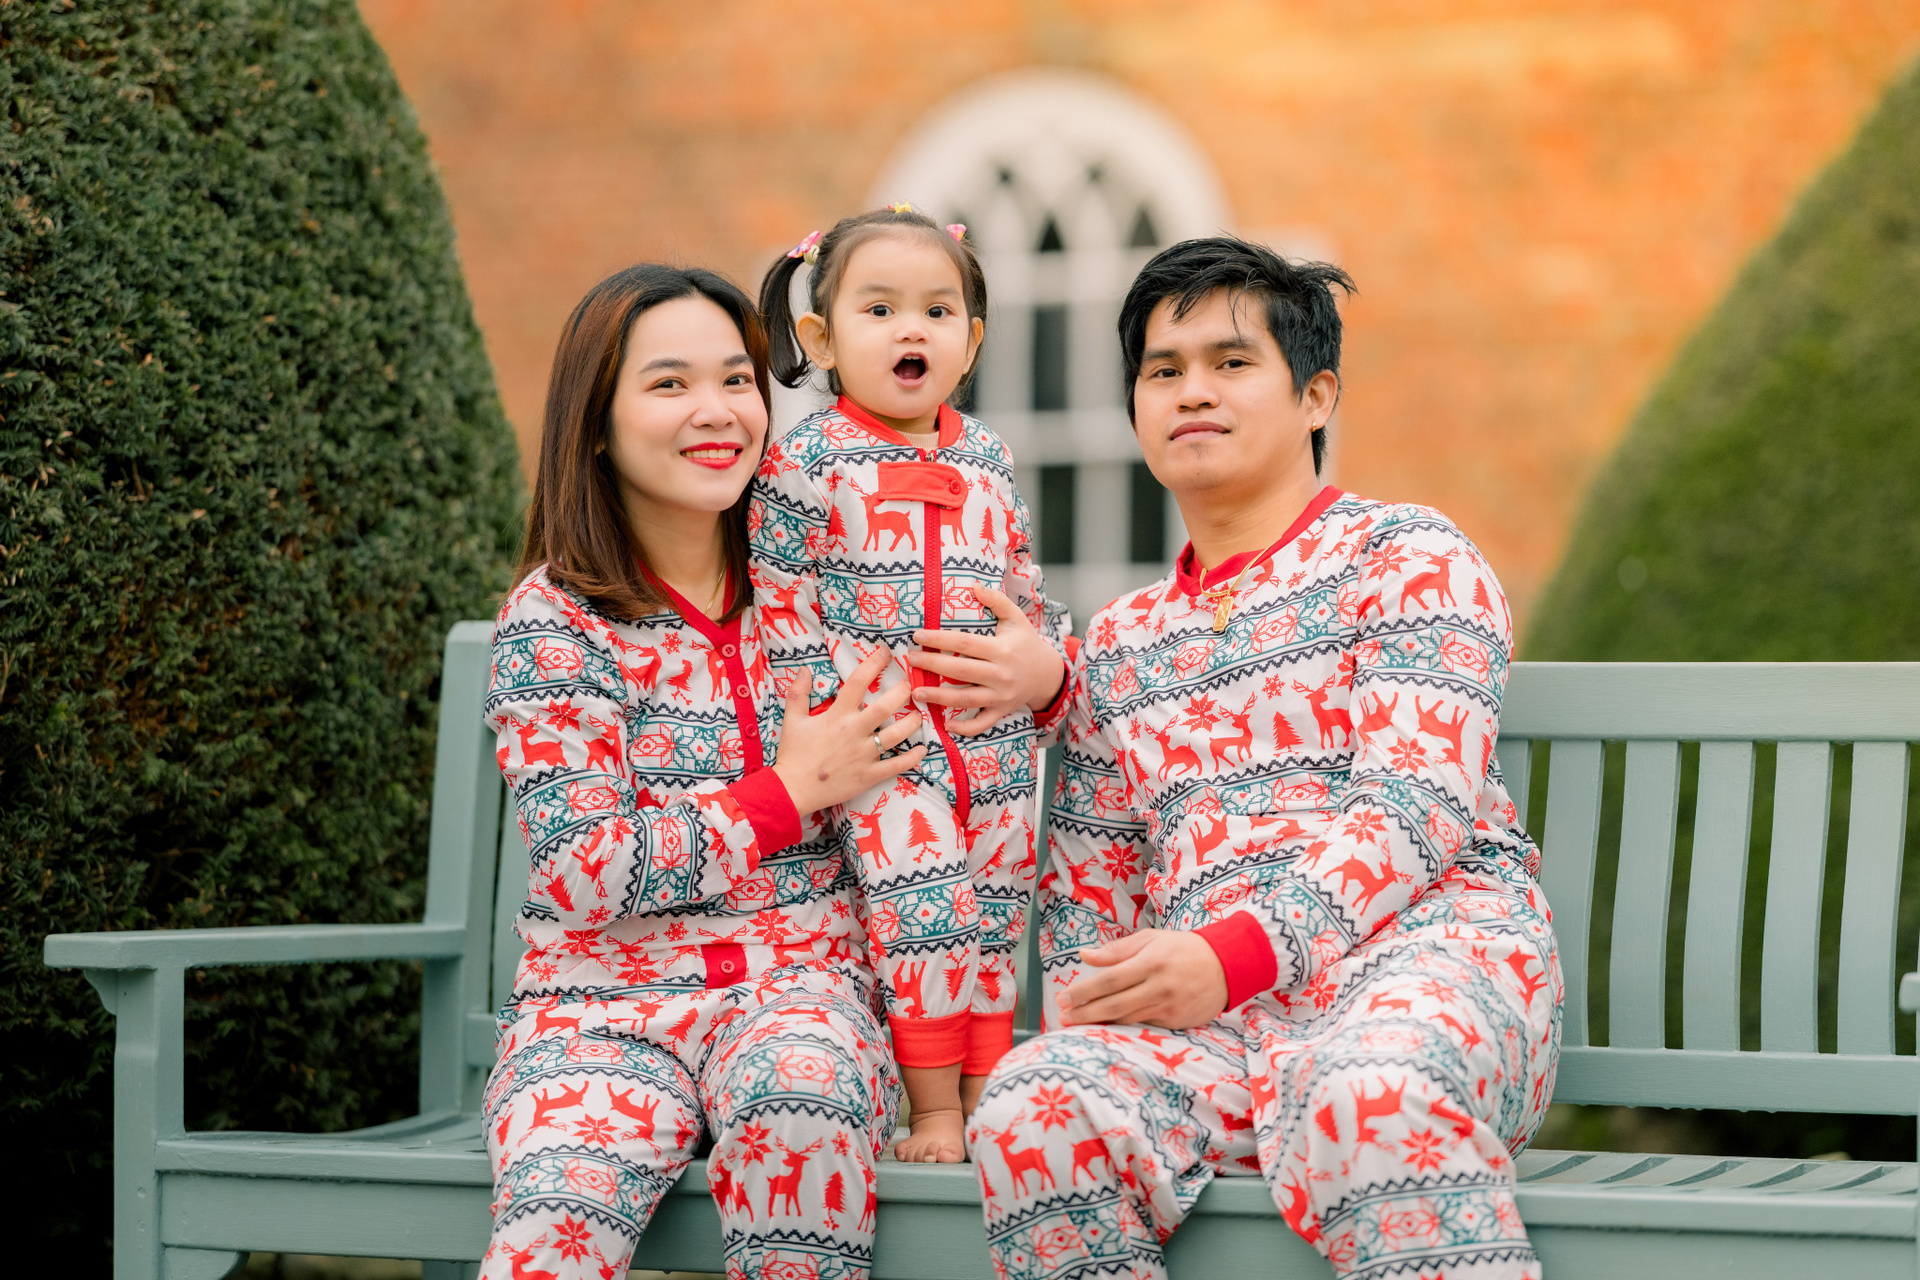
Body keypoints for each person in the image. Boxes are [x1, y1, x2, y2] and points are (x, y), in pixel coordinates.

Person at [967, 238, 1562, 1280]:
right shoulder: (1122, 640)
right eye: (1163, 370)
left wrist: (1230, 956)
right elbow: (1091, 896)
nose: (1192, 390)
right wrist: (1090, 1021)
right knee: (1036, 1106)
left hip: (1424, 973)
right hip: (1218, 1031)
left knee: (1369, 1098)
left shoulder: (1409, 557)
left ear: (1316, 395)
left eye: (1231, 362)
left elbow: (1415, 807)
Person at [481, 263, 929, 1280]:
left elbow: (965, 691)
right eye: (669, 383)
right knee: (553, 1226)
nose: (717, 410)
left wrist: (1040, 675)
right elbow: (585, 869)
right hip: (596, 1017)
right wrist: (787, 793)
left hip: (800, 995)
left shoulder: (819, 588)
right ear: (597, 423)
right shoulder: (555, 622)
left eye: (736, 379)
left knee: (802, 1108)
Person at [752, 206, 1074, 1163]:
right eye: (881, 308)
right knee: (923, 910)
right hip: (888, 745)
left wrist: (1034, 660)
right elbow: (780, 596)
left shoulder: (987, 457)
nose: (912, 330)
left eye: (938, 312)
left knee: (994, 915)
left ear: (970, 342)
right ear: (822, 339)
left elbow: (1022, 582)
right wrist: (826, 711)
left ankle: (987, 1096)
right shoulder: (805, 460)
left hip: (993, 744)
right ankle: (932, 1110)